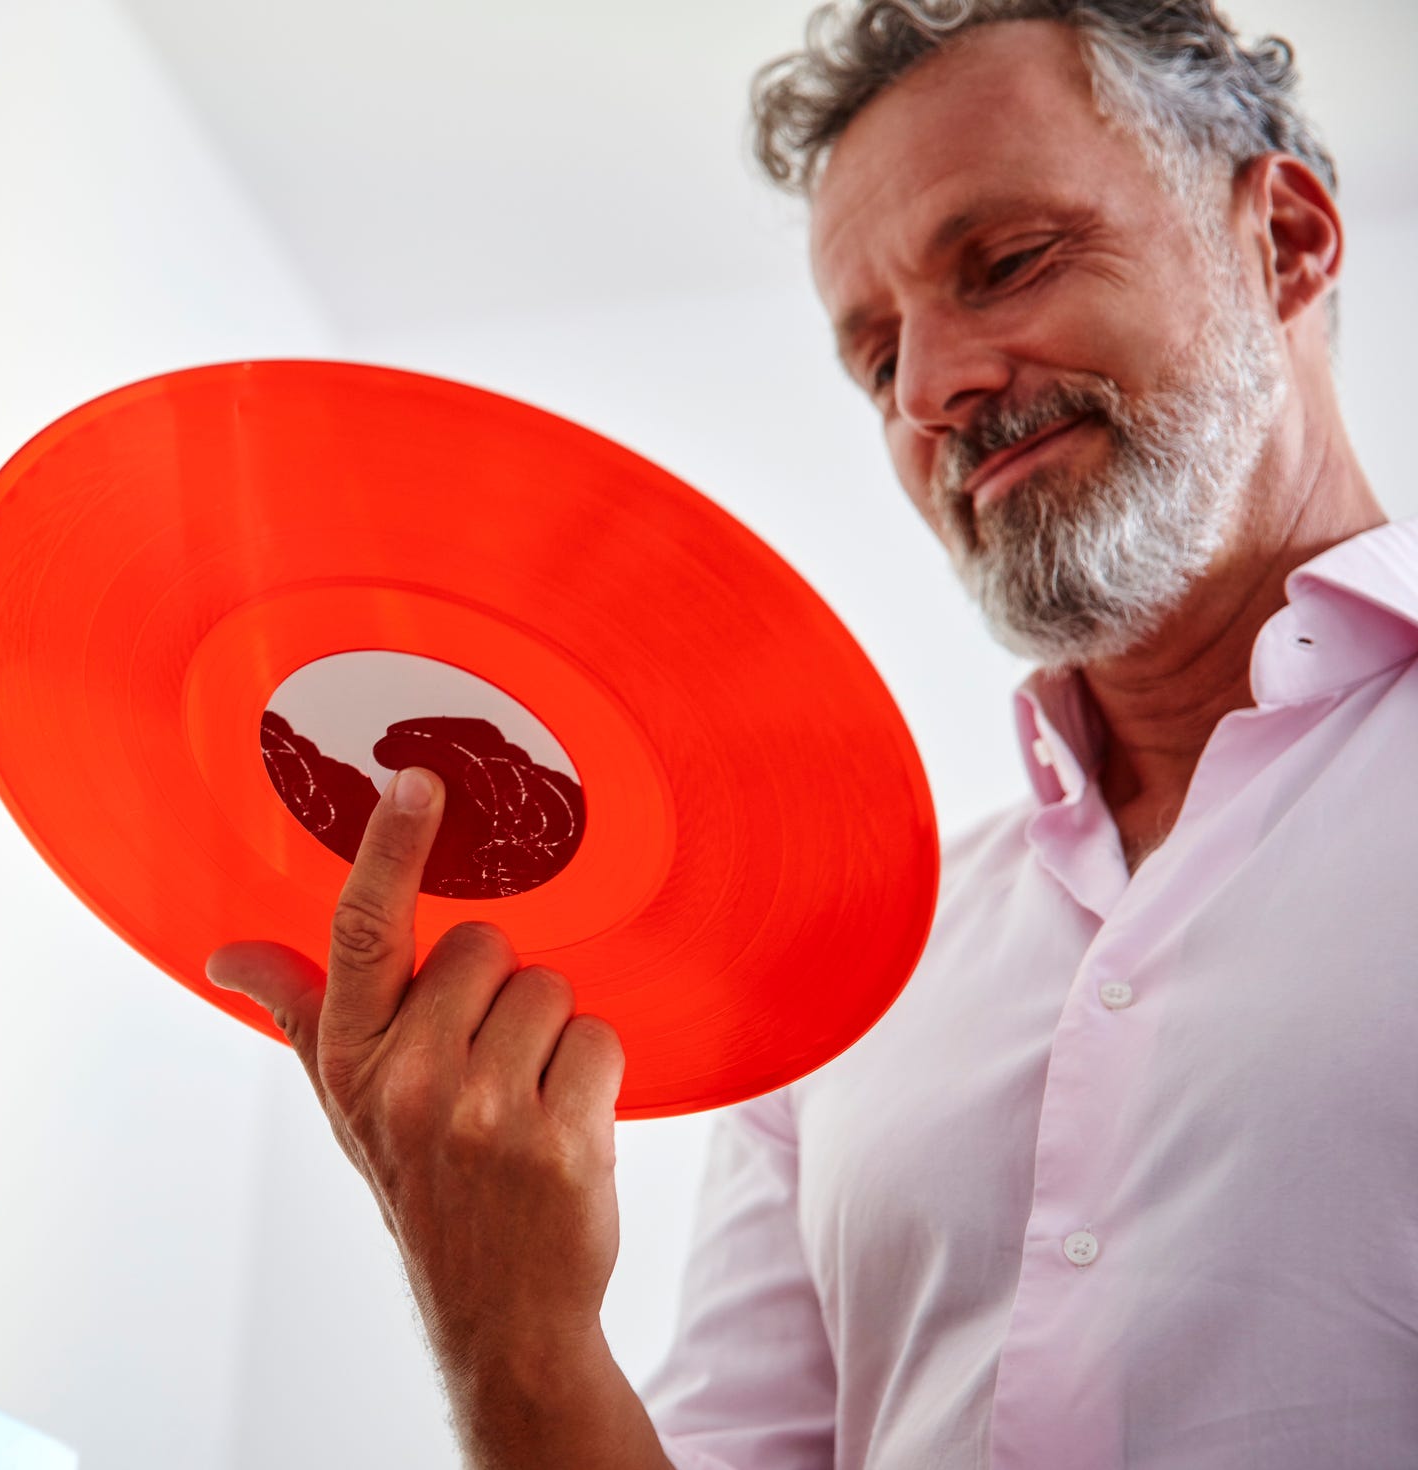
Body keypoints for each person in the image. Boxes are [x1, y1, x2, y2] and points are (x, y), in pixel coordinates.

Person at [207, 2, 1418, 1465]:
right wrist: (503, 1320)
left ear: (1283, 240)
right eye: (874, 354)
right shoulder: (850, 968)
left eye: (1011, 262)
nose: (931, 391)